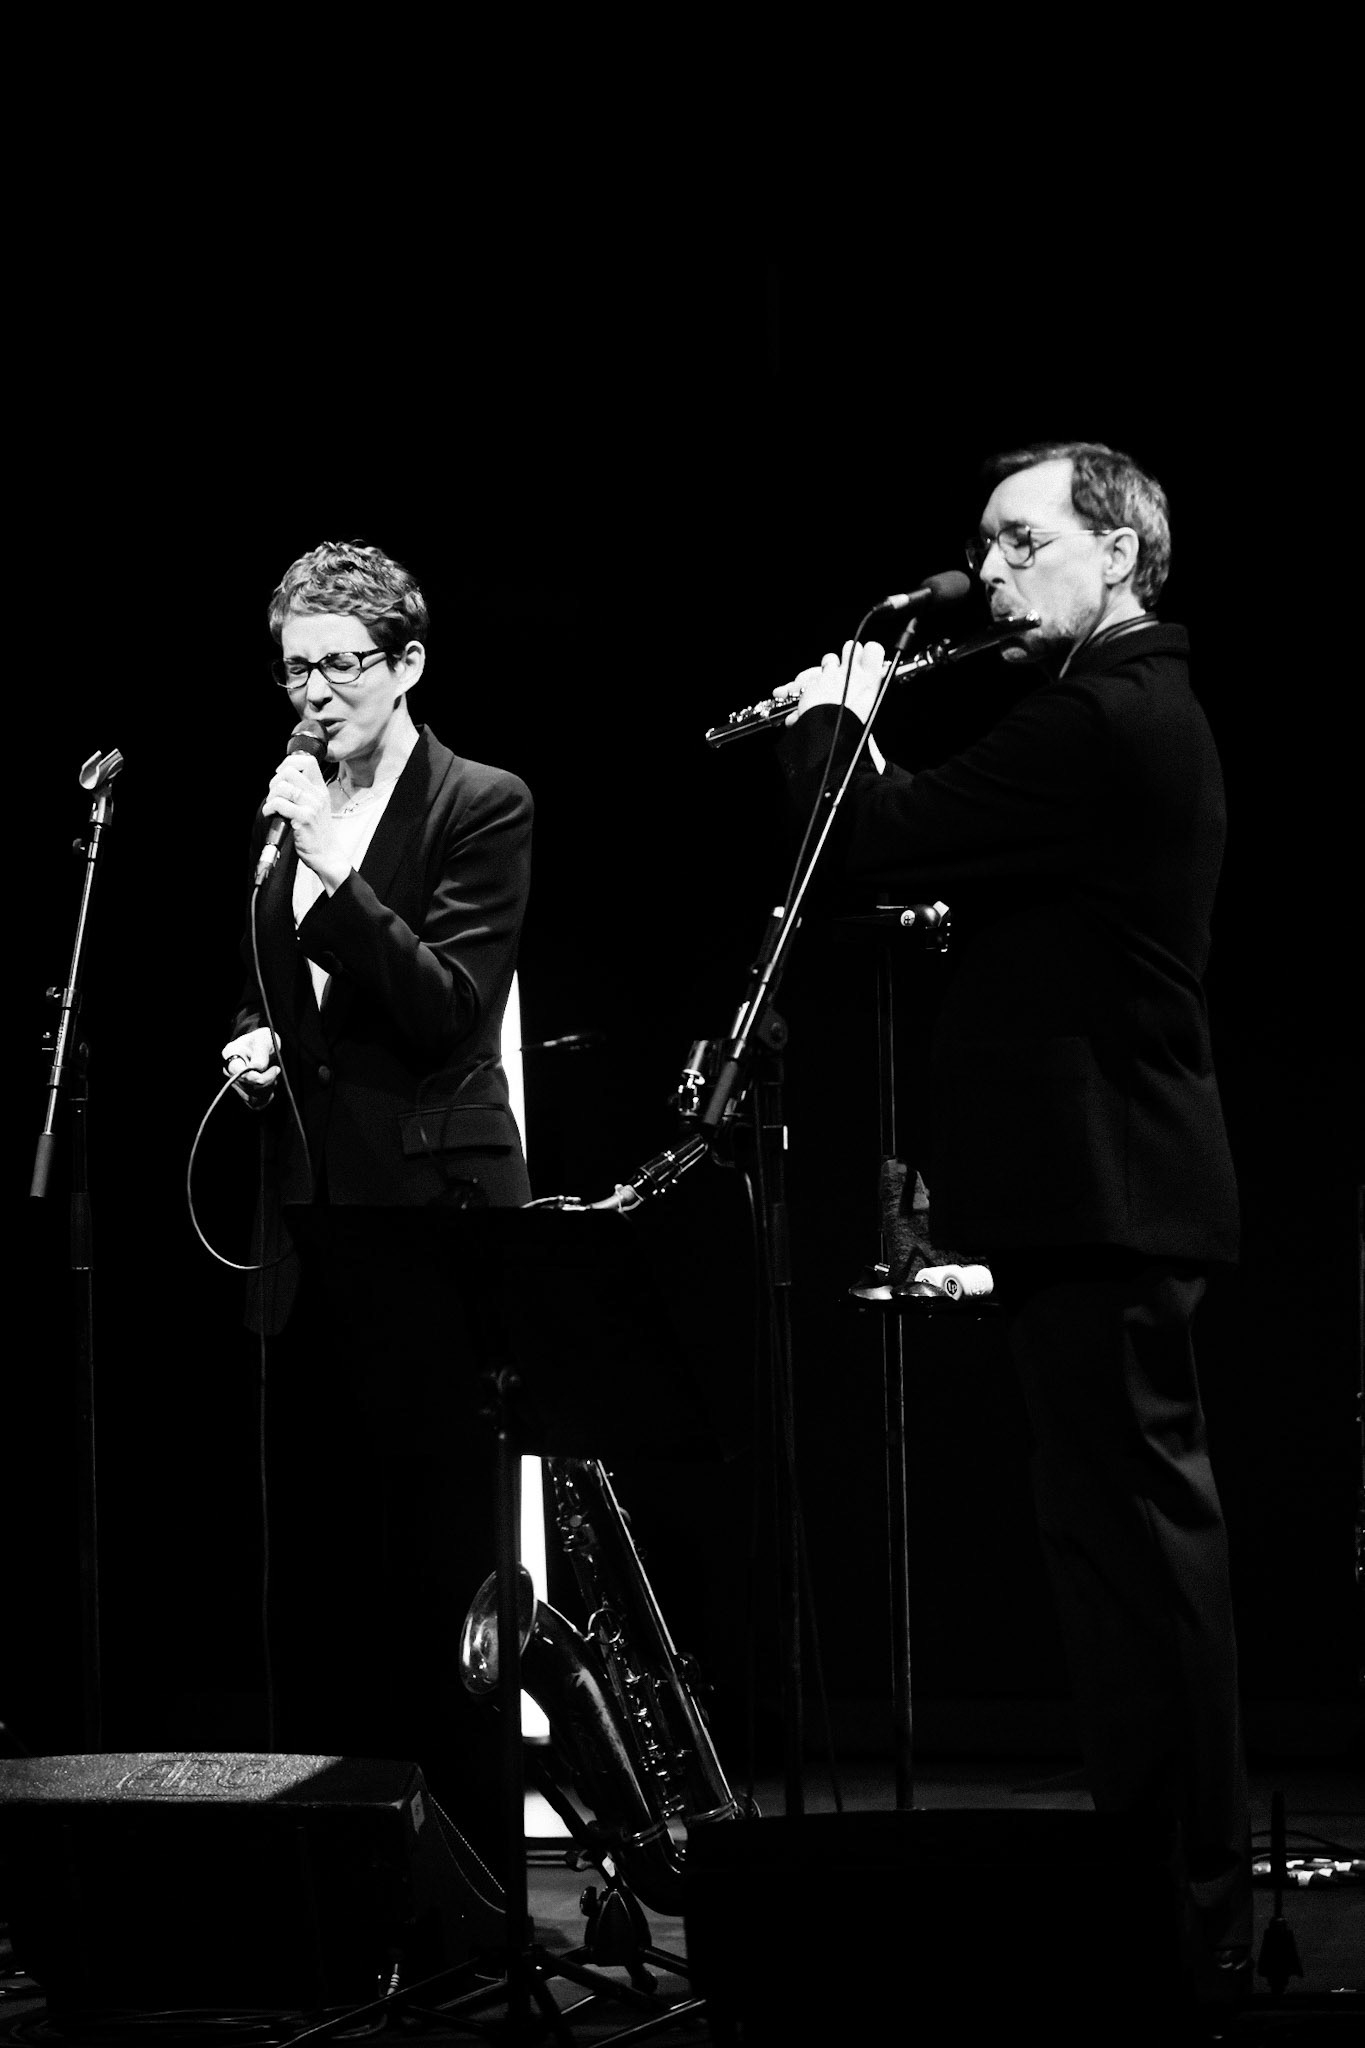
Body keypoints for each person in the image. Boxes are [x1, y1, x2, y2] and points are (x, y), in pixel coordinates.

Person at [776, 443, 1251, 2003]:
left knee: (1141, 1565)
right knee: (1113, 1563)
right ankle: (1157, 1904)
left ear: (1115, 553)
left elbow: (868, 836)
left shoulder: (1101, 712)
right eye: (981, 546)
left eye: (1018, 541)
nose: (988, 574)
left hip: (1112, 1190)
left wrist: (838, 719)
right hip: (1093, 1193)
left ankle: (1183, 1919)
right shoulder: (1104, 710)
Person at [221, 539, 533, 1880]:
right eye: (293, 668)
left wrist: (333, 870)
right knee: (324, 1571)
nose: (313, 694)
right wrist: (256, 1036)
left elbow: (449, 1006)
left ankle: (467, 1885)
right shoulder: (283, 810)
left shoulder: (480, 802)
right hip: (309, 1223)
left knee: (440, 1566)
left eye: (339, 665)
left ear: (405, 665)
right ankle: (335, 1892)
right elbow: (286, 990)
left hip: (431, 1219)